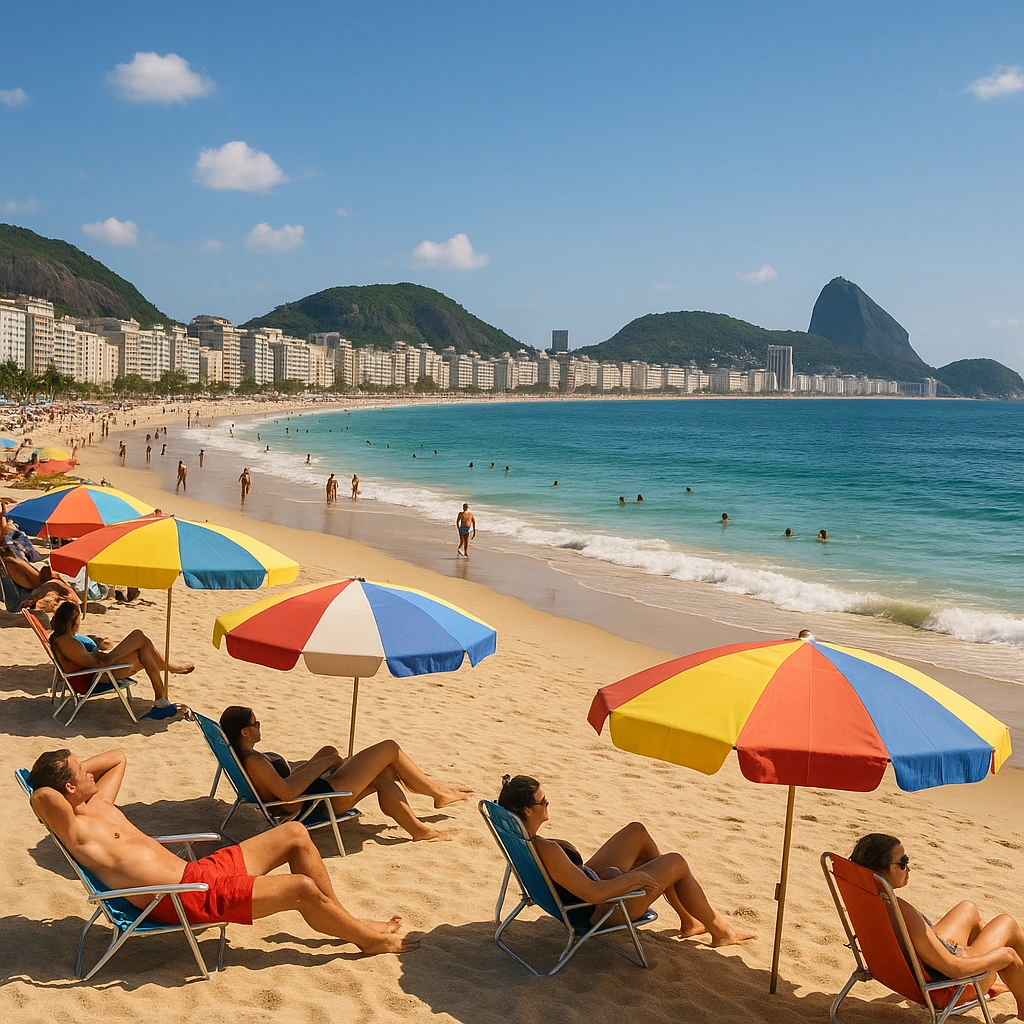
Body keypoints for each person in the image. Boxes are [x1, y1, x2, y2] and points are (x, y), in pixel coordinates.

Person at [27, 748, 416, 955]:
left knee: (295, 833)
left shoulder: (99, 805)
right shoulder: (76, 829)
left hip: (198, 872)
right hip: (183, 899)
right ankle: (369, 939)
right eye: (82, 773)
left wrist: (73, 772)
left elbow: (118, 755)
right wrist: (56, 777)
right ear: (68, 791)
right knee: (300, 888)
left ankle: (349, 921)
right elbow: (42, 794)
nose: (91, 772)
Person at [497, 775, 756, 946]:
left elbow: (581, 883)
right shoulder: (546, 850)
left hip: (588, 884)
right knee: (676, 862)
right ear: (528, 809)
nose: (547, 804)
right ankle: (721, 932)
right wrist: (632, 878)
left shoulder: (524, 840)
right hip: (602, 911)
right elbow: (595, 894)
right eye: (543, 801)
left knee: (636, 831)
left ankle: (689, 920)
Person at [220, 707, 471, 842]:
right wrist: (322, 764)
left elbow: (282, 784)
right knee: (389, 749)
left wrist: (316, 763)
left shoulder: (245, 756)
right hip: (321, 801)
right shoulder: (255, 762)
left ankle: (419, 828)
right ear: (244, 732)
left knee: (376, 772)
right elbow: (286, 794)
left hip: (314, 793)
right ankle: (438, 794)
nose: (259, 727)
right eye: (256, 724)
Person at [849, 834, 1022, 1012]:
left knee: (968, 908)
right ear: (879, 872)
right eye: (903, 862)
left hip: (922, 968)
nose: (908, 868)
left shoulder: (863, 897)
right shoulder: (900, 910)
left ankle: (993, 981)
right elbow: (954, 969)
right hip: (945, 990)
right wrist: (1002, 957)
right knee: (1007, 929)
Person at [48, 600, 192, 716]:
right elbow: (94, 664)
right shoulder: (68, 642)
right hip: (95, 676)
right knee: (139, 638)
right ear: (72, 622)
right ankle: (167, 674)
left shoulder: (59, 638)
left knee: (143, 647)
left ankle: (162, 693)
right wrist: (102, 656)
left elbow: (84, 661)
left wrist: (96, 653)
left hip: (92, 673)